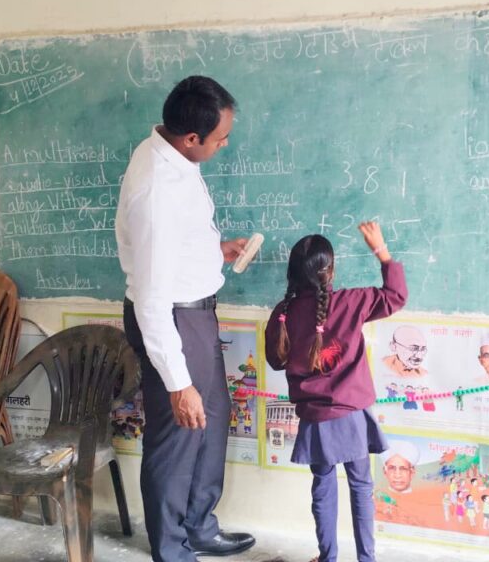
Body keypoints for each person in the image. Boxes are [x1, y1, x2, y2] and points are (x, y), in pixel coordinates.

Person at [116, 75, 254, 561]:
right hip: (171, 321)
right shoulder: (156, 190)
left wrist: (213, 251)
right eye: (220, 138)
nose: (224, 144)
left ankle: (199, 526)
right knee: (178, 433)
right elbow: (152, 299)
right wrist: (178, 383)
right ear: (191, 137)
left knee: (210, 423)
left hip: (194, 315)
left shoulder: (175, 156)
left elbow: (174, 248)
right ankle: (171, 549)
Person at [265, 222, 408, 562]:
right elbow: (396, 296)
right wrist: (381, 252)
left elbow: (274, 359)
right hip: (352, 415)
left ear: (292, 273)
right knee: (361, 485)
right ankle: (366, 559)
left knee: (323, 486)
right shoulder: (351, 302)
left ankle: (327, 557)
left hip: (315, 420)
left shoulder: (282, 314)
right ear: (330, 271)